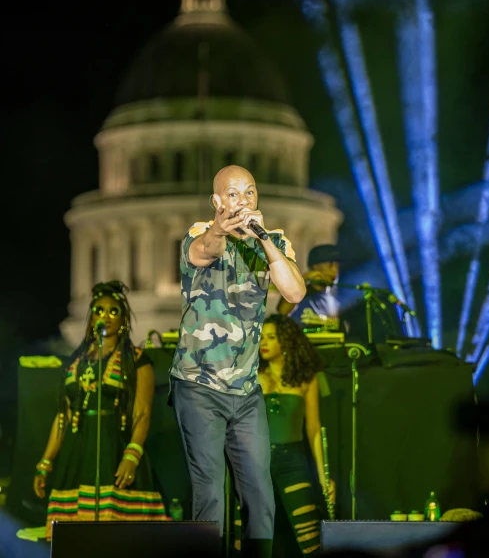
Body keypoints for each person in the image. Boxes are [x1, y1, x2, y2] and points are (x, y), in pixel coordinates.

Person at [170, 165, 306, 558]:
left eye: (249, 192)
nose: (243, 200)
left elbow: (294, 293)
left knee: (260, 492)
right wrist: (222, 229)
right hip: (198, 384)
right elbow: (202, 253)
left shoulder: (275, 241)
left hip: (245, 390)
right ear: (216, 202)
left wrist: (262, 240)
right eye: (233, 194)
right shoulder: (201, 233)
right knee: (210, 490)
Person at [33, 281, 168, 539]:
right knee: (73, 542)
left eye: (113, 311)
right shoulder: (76, 361)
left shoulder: (137, 359)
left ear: (125, 320)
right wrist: (46, 462)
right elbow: (64, 415)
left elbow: (142, 412)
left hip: (114, 450)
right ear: (91, 318)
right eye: (98, 311)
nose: (105, 316)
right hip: (77, 455)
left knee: (116, 538)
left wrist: (131, 456)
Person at [235, 314, 335, 556]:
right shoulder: (251, 377)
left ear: (287, 342)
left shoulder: (306, 379)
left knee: (310, 540)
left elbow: (313, 429)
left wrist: (324, 477)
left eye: (271, 337)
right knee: (245, 542)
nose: (264, 343)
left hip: (292, 462)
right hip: (254, 464)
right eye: (261, 337)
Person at [278, 244, 341, 327]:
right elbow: (282, 312)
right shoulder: (299, 294)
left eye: (337, 266)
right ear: (315, 266)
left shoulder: (338, 295)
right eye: (330, 265)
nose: (335, 270)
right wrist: (303, 279)